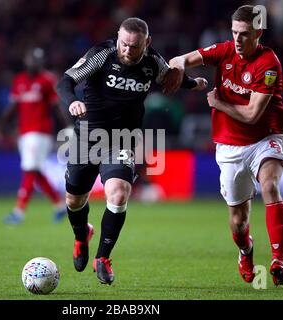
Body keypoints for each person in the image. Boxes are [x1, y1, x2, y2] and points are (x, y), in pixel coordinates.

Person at [57, 17, 207, 285]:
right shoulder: (101, 55)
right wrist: (72, 102)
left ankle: (103, 257)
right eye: (123, 44)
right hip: (88, 137)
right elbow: (65, 82)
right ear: (118, 38)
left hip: (123, 140)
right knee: (74, 201)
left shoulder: (152, 62)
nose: (127, 50)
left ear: (146, 43)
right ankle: (82, 237)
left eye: (134, 47)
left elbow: (170, 76)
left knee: (118, 193)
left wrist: (193, 83)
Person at [169, 5, 283, 286]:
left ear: (258, 33)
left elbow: (251, 115)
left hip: (264, 137)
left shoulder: (268, 64)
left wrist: (218, 102)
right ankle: (246, 250)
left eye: (244, 34)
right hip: (229, 145)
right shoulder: (223, 51)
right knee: (238, 221)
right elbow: (181, 59)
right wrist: (179, 73)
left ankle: (278, 260)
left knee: (270, 185)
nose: (237, 39)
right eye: (234, 32)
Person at [1, 48, 68, 225]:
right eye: (32, 60)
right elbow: (14, 107)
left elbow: (55, 107)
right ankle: (60, 205)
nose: (34, 63)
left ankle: (19, 211)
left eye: (38, 60)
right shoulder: (19, 80)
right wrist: (2, 124)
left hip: (40, 132)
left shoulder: (47, 80)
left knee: (30, 169)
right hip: (24, 132)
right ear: (26, 61)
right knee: (35, 170)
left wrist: (67, 126)